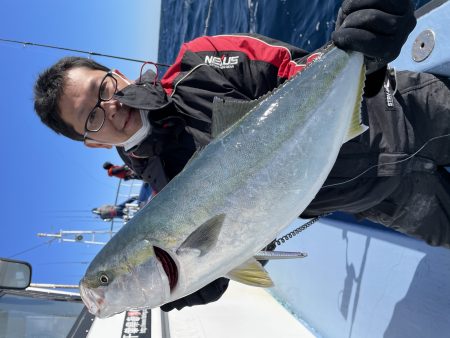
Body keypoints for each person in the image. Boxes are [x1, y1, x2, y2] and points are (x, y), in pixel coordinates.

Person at [34, 0, 447, 310]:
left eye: (102, 87)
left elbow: (299, 70)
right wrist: (178, 285)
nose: (109, 106)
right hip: (389, 203)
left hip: (404, 110)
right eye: (90, 118)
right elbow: (233, 254)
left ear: (116, 74)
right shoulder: (162, 193)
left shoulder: (202, 63)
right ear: (94, 143)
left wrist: (363, 45)